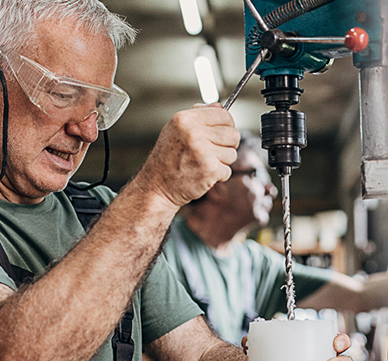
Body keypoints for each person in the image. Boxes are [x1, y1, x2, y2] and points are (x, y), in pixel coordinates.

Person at [0, 0, 351, 360]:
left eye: (99, 106)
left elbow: (197, 351)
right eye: (64, 94)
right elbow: (18, 354)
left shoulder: (103, 217)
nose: (86, 129)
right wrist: (156, 192)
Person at [163, 132, 388, 344]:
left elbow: (358, 296)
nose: (271, 190)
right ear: (216, 183)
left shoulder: (255, 264)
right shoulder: (160, 252)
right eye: (255, 174)